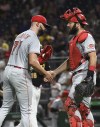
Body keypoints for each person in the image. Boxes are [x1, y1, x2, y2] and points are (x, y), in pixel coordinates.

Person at [0, 15, 53, 127]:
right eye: (44, 25)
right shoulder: (34, 38)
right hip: (20, 73)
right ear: (38, 23)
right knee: (28, 111)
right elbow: (33, 62)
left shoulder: (20, 35)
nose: (45, 28)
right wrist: (46, 72)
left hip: (8, 70)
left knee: (5, 107)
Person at [50, 7, 97, 127]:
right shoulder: (74, 39)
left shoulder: (85, 36)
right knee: (83, 109)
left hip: (84, 74)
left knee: (70, 105)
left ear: (77, 22)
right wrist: (55, 72)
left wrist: (90, 77)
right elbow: (70, 61)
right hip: (80, 74)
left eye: (69, 22)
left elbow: (93, 56)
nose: (67, 25)